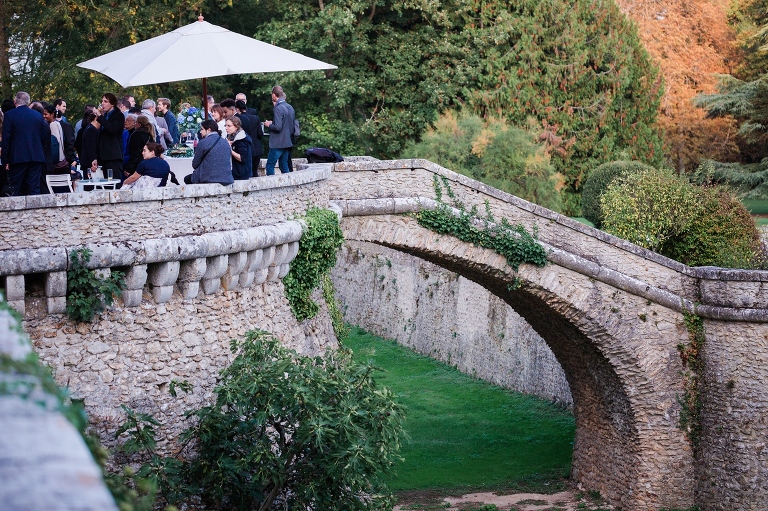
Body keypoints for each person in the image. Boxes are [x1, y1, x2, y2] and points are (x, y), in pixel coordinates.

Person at [1, 91, 47, 195]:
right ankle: (36, 211)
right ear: (28, 102)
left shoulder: (9, 115)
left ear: (15, 101)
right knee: (34, 188)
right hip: (36, 156)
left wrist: (5, 160)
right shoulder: (38, 116)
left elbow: (6, 139)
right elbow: (44, 136)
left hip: (17, 157)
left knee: (15, 188)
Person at [184, 119, 232, 185]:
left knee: (186, 179)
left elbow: (195, 165)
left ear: (208, 130)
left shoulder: (203, 142)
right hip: (226, 178)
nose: (200, 132)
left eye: (202, 129)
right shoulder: (225, 142)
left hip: (208, 177)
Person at [263, 85, 295, 176]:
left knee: (270, 165)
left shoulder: (278, 108)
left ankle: (271, 187)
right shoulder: (290, 107)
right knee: (284, 165)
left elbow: (278, 127)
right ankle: (289, 185)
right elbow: (287, 124)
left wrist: (269, 124)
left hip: (278, 143)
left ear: (274, 95)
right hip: (288, 141)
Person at [94, 93, 126, 183]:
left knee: (115, 182)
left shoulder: (118, 115)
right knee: (107, 183)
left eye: (105, 101)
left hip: (114, 155)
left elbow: (111, 128)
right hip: (105, 156)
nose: (102, 104)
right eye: (102, 101)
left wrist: (100, 117)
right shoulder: (105, 116)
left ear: (112, 103)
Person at [236, 100, 263, 176]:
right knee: (255, 172)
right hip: (257, 148)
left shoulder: (238, 119)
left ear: (237, 109)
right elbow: (260, 134)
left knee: (247, 172)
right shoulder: (255, 118)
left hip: (245, 148)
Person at [225, 115, 252, 180]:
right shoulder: (231, 138)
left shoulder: (241, 140)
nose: (226, 128)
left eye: (229, 126)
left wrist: (230, 150)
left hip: (241, 174)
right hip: (235, 172)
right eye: (225, 125)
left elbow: (243, 158)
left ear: (236, 127)